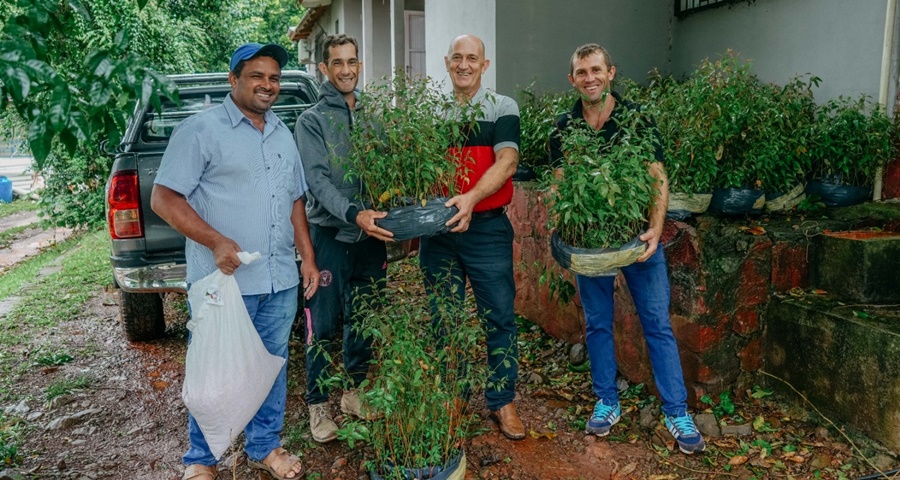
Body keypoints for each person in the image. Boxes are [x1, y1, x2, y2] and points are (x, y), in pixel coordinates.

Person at [151, 43, 319, 480]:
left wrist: (307, 258)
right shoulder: (200, 130)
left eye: (274, 78)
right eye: (257, 76)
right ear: (233, 79)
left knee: (271, 366)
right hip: (224, 283)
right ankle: (202, 459)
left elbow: (295, 201)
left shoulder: (282, 133)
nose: (268, 85)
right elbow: (164, 198)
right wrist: (216, 241)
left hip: (279, 279)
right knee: (214, 369)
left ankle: (265, 446)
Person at [549, 43, 706, 454]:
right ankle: (607, 401)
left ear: (611, 73)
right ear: (572, 79)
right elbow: (561, 187)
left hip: (638, 239)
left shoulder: (636, 119)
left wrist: (655, 229)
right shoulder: (563, 128)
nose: (590, 78)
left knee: (657, 322)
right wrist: (566, 233)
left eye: (596, 70)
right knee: (598, 323)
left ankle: (676, 411)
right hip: (590, 244)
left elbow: (657, 176)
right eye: (582, 72)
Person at [418, 34, 525, 440]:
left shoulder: (502, 107)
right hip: (439, 230)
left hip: (487, 229)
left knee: (499, 316)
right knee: (444, 317)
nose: (464, 65)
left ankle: (502, 400)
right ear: (447, 63)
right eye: (457, 58)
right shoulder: (431, 113)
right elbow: (418, 166)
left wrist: (470, 199)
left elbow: (508, 161)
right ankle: (455, 395)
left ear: (485, 64)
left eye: (472, 58)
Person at [294, 34, 393, 444]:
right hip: (330, 234)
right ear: (324, 68)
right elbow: (316, 182)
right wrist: (354, 213)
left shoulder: (374, 116)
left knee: (365, 315)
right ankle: (318, 404)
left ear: (360, 65)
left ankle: (354, 392)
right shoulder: (311, 121)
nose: (346, 70)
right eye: (337, 63)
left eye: (352, 62)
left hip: (370, 237)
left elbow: (386, 168)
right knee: (322, 322)